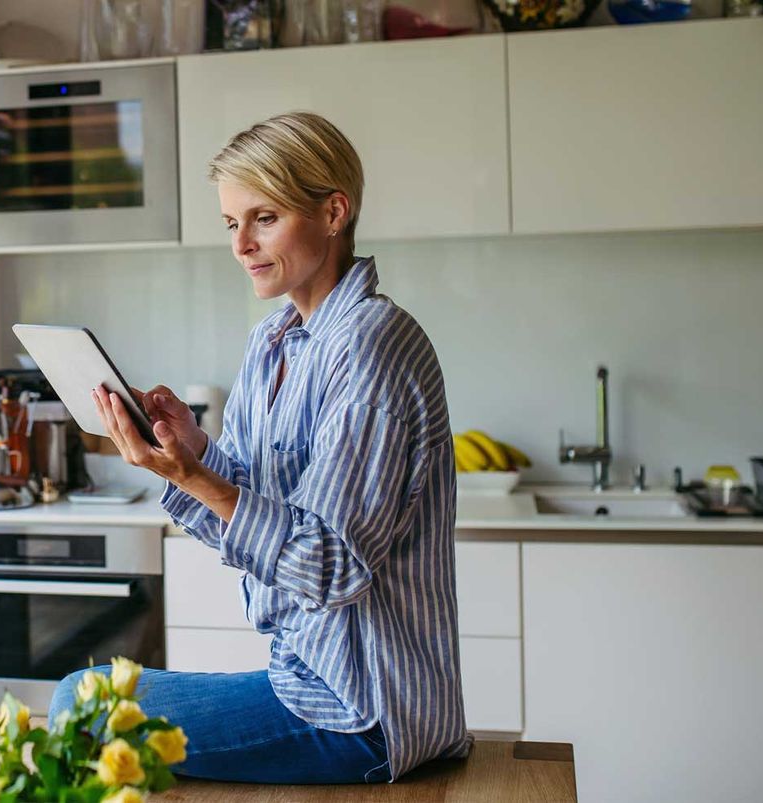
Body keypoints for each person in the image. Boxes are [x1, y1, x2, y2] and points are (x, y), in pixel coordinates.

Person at [48, 112, 471, 784]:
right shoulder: (273, 341)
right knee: (84, 700)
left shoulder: (372, 345)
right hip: (306, 675)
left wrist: (199, 479)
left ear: (334, 212)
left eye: (264, 217)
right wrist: (190, 455)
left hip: (365, 711)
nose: (241, 243)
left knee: (79, 703)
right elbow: (251, 509)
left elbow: (333, 568)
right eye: (230, 223)